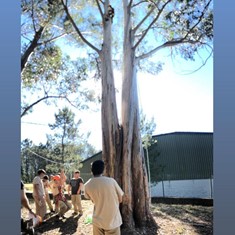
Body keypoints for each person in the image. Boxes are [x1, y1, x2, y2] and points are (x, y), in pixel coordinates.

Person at [84, 160, 124, 235]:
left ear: (91, 170)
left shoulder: (87, 185)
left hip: (97, 221)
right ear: (103, 170)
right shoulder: (111, 181)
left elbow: (91, 199)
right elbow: (120, 199)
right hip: (113, 221)